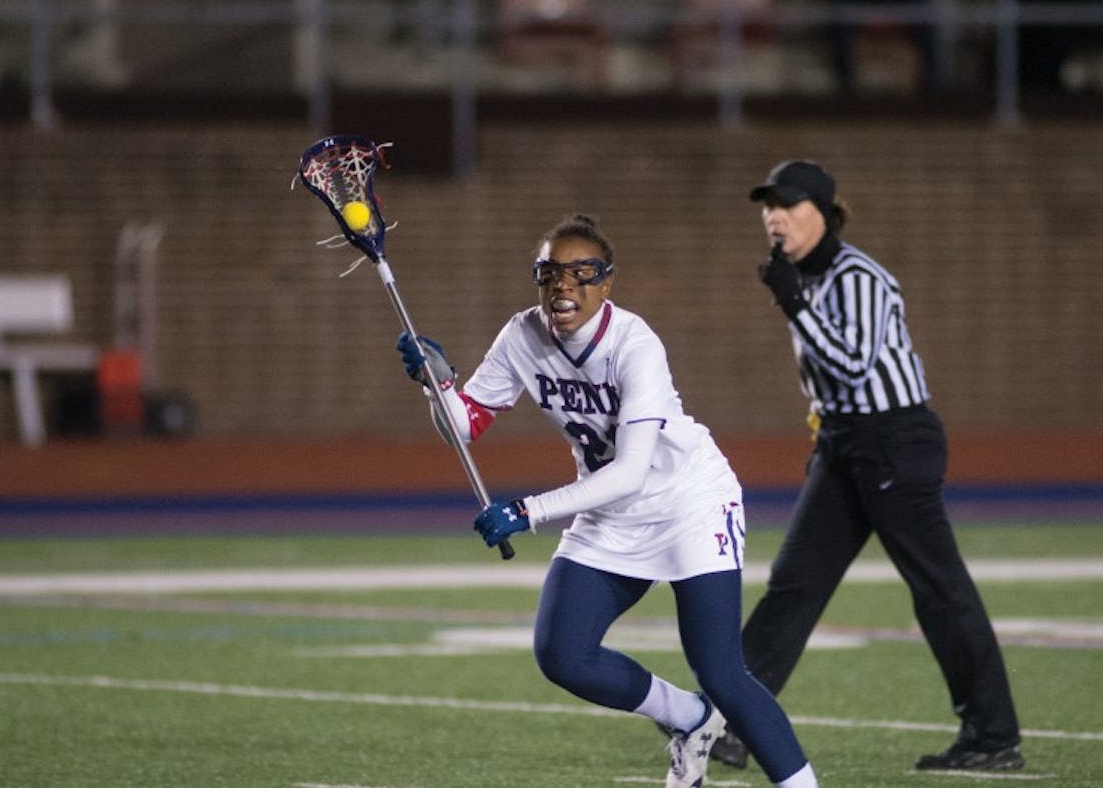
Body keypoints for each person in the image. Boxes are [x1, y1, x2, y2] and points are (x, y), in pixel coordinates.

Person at [394, 214, 819, 788]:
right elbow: (465, 426)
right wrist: (437, 386)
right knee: (562, 654)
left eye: (581, 273)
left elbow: (631, 470)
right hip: (613, 513)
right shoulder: (522, 334)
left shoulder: (634, 343)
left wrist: (526, 512)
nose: (564, 286)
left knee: (720, 669)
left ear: (607, 283)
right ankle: (690, 719)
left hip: (687, 501)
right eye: (550, 274)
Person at [705, 160, 1024, 772]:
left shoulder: (859, 277)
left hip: (894, 440)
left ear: (822, 212)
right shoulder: (802, 278)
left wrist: (793, 304)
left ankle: (992, 736)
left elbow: (855, 364)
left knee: (938, 589)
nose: (774, 215)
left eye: (788, 203)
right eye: (767, 205)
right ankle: (730, 722)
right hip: (845, 444)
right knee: (795, 584)